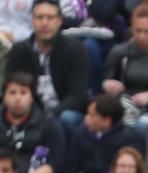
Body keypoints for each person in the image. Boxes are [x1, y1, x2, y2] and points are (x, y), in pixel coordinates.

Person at [6, 0, 90, 135]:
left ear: (59, 21)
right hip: (30, 112)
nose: (44, 23)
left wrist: (50, 115)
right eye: (40, 17)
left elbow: (77, 95)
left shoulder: (75, 50)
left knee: (67, 118)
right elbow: (11, 87)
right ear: (32, 21)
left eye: (50, 18)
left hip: (64, 112)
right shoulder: (19, 51)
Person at [0, 71, 66, 173]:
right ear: (4, 96)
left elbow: (55, 163)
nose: (18, 98)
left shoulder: (48, 122)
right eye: (12, 92)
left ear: (31, 97)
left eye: (23, 92)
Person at [102, 3, 148, 133]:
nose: (141, 36)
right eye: (138, 30)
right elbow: (106, 82)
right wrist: (106, 84)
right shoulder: (119, 52)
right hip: (123, 105)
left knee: (141, 127)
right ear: (131, 29)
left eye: (147, 31)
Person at [65, 93, 145, 173]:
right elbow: (73, 168)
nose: (86, 118)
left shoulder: (131, 137)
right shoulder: (81, 134)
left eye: (91, 115)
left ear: (107, 121)